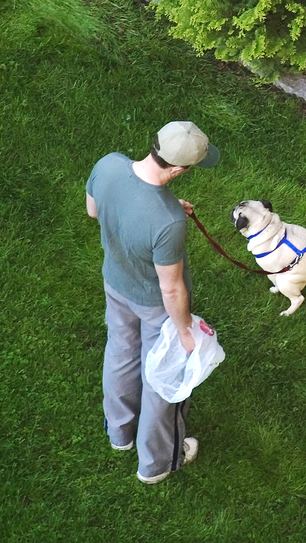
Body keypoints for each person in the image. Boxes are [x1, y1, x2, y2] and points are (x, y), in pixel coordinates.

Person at [86, 121, 220, 484]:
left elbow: (95, 211)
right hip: (153, 306)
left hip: (114, 283)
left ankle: (119, 434)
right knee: (163, 376)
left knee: (119, 353)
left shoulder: (109, 164)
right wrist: (185, 331)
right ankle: (156, 463)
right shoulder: (168, 222)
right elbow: (172, 290)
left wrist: (161, 204)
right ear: (177, 170)